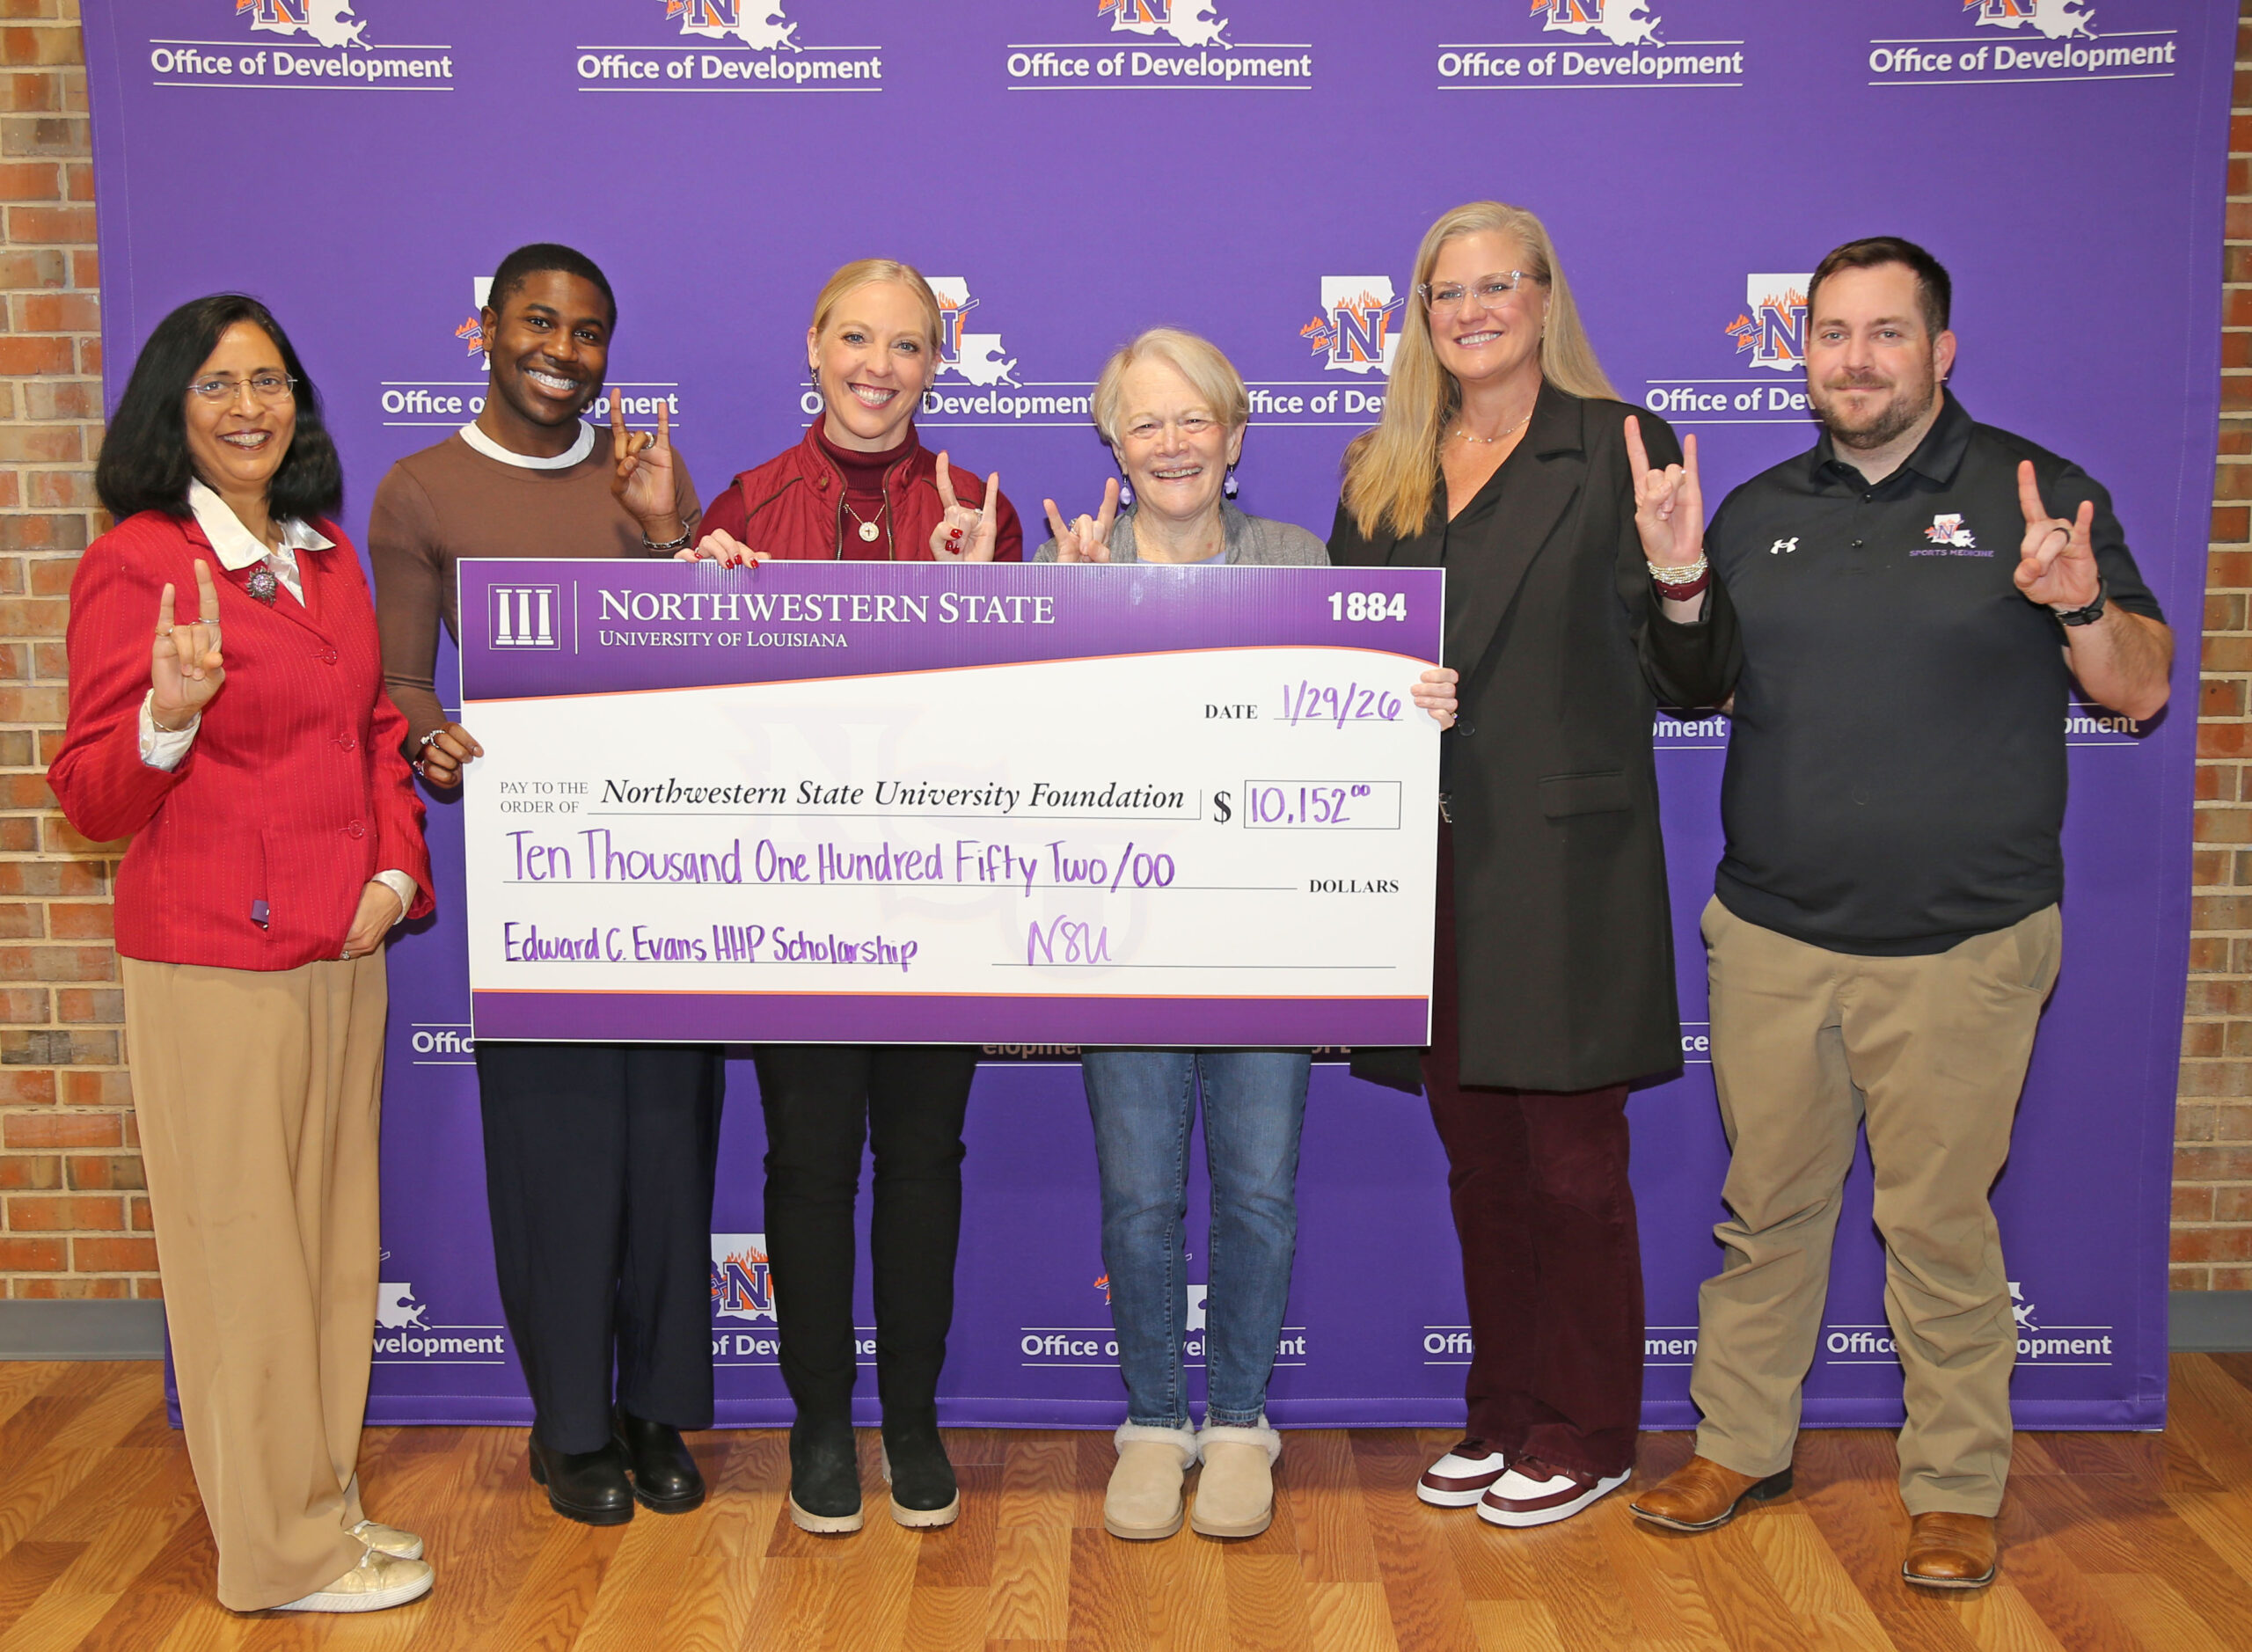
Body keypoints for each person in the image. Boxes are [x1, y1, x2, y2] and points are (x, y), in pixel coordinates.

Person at [1626, 238, 2171, 1590]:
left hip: (1964, 940)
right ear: (1800, 351)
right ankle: (1740, 1441)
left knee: (1936, 1223)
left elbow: (2141, 687)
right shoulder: (1752, 507)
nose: (1855, 359)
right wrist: (1683, 578)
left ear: (1941, 351)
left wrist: (2082, 599)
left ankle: (1953, 1486)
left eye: (1885, 333)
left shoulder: (2037, 496)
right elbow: (1697, 688)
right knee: (1767, 1209)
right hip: (1772, 932)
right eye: (1831, 334)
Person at [49, 296, 435, 1613]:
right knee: (243, 1264)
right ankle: (272, 1557)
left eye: (268, 380)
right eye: (217, 384)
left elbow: (374, 731)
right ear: (172, 408)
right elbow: (92, 797)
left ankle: (320, 1509)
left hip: (342, 949)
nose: (248, 406)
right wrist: (166, 711)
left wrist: (396, 869)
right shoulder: (140, 567)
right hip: (214, 965)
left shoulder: (320, 556)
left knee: (330, 1252)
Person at [1037, 327, 1455, 1542]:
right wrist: (1056, 624)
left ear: (1235, 438)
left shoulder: (1295, 555)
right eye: (1146, 421)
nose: (1171, 443)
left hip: (1267, 940)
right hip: (1118, 944)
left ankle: (1239, 1425)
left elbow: (1337, 736)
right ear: (1111, 439)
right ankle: (1153, 1420)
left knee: (1260, 1193)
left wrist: (1410, 703)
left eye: (1195, 419)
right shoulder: (1070, 561)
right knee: (1139, 1197)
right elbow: (1018, 767)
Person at [1327, 201, 1686, 1529]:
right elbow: (1345, 665)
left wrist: (1685, 569)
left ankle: (1589, 1428)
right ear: (1422, 314)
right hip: (1422, 874)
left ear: (1545, 295)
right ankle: (1505, 1408)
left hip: (1563, 873)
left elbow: (1690, 667)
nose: (1471, 309)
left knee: (1574, 1166)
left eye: (1498, 284)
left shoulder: (1617, 447)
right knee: (1480, 1163)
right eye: (1446, 290)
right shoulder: (1384, 466)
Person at [369, 244, 723, 1529]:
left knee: (671, 1157)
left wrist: (668, 537)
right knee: (560, 1159)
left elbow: (698, 661)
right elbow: (403, 680)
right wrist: (429, 744)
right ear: (485, 330)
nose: (561, 352)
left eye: (587, 333)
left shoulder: (639, 481)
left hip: (676, 880)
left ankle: (651, 1411)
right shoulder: (420, 490)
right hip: (542, 879)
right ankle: (569, 1424)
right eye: (537, 322)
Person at [678, 257, 1020, 1535]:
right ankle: (822, 1422)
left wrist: (980, 594)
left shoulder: (983, 505)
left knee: (925, 1160)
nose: (881, 367)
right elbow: (696, 721)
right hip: (798, 901)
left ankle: (914, 1417)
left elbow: (1019, 721)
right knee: (810, 1167)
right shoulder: (748, 504)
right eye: (858, 339)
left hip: (942, 901)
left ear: (938, 364)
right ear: (814, 346)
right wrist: (693, 604)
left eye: (909, 346)